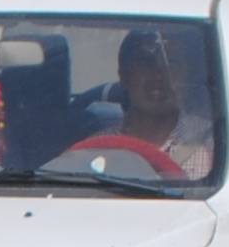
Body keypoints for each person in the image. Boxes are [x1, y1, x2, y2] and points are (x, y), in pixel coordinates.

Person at [60, 25, 219, 181]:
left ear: (185, 77)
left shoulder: (215, 143)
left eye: (171, 65)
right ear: (124, 75)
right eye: (147, 63)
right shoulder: (96, 149)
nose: (159, 75)